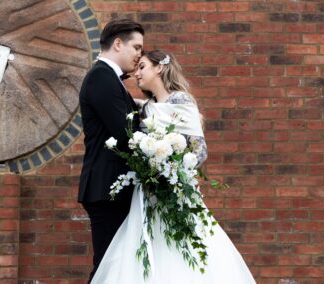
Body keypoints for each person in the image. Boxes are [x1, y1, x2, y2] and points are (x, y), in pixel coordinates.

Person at [90, 50, 256, 283]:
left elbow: (200, 150)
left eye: (142, 67)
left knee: (182, 249)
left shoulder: (181, 100)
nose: (137, 73)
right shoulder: (146, 108)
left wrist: (172, 173)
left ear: (159, 68)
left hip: (176, 191)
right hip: (147, 196)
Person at [78, 19, 144, 282]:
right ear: (118, 43)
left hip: (112, 188)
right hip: (107, 189)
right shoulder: (101, 77)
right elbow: (126, 134)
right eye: (136, 46)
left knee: (117, 267)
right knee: (108, 267)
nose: (140, 54)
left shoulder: (110, 79)